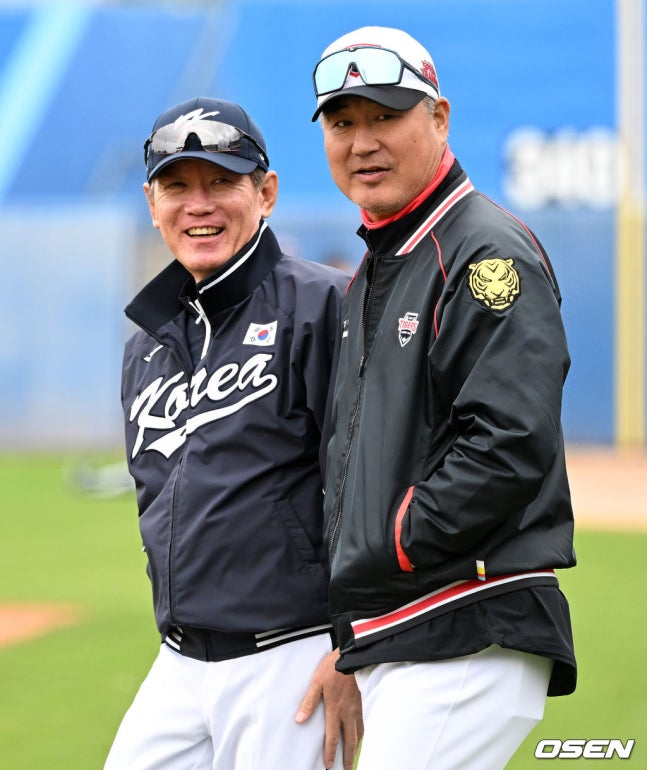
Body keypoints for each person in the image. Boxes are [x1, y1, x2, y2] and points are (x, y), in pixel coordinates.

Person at [310, 26, 577, 770]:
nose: (362, 142)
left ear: (439, 118)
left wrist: (390, 544)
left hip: (467, 619)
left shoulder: (483, 251)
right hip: (409, 620)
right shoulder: (385, 260)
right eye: (342, 122)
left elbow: (508, 442)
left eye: (385, 116)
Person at [105, 96, 362, 770]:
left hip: (293, 655)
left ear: (265, 192)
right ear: (152, 203)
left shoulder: (322, 305)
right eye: (177, 186)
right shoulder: (150, 341)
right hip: (181, 661)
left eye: (222, 181)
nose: (199, 205)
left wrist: (352, 644)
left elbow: (369, 482)